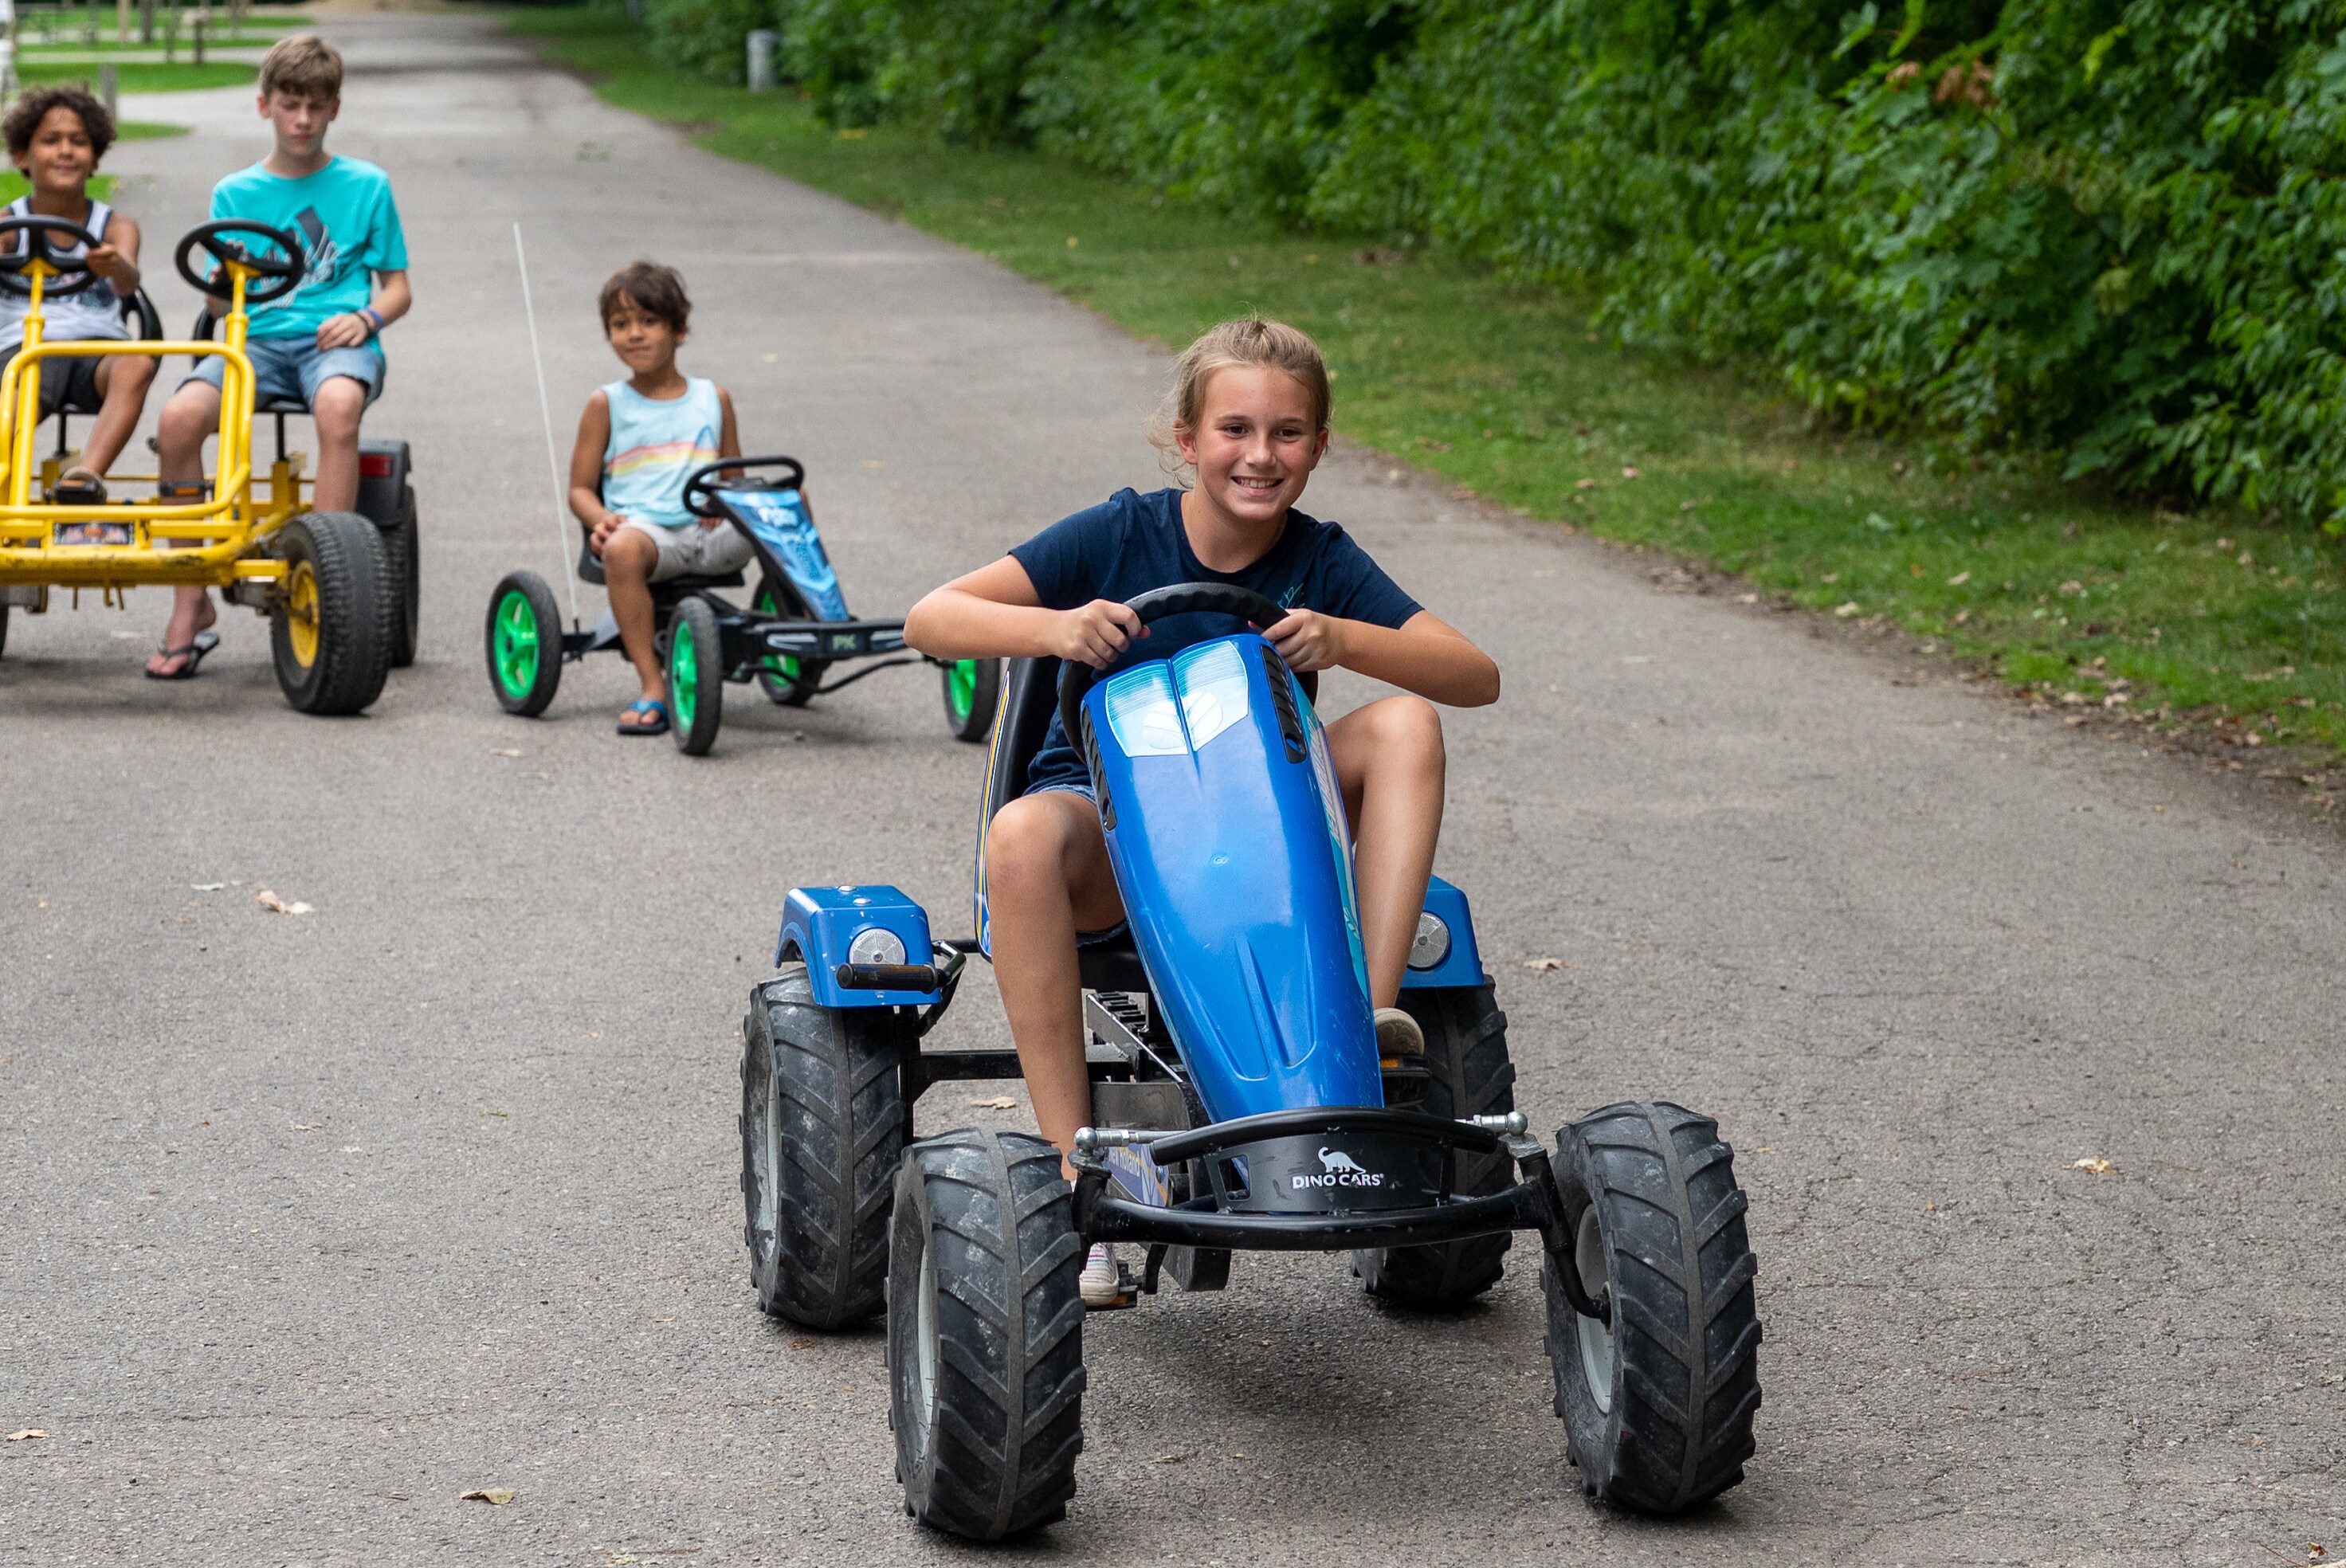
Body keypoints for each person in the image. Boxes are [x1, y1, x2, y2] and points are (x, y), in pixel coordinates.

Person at [903, 317, 1501, 1306]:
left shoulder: (1319, 561)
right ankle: (1074, 1168)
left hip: (1264, 831)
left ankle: (1367, 1021)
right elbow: (934, 616)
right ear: (1187, 440)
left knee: (1405, 724)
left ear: (1318, 446)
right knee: (1020, 835)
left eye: (1288, 434)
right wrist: (1056, 624)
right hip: (1105, 818)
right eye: (1234, 430)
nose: (1259, 456)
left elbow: (1473, 676)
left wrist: (1346, 638)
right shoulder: (1118, 534)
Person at [146, 33, 411, 680]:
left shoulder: (366, 186)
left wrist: (366, 317)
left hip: (333, 341)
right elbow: (216, 300)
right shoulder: (235, 194)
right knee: (178, 421)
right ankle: (190, 602)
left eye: (315, 107)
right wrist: (219, 284)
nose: (302, 120)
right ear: (264, 106)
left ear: (334, 110)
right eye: (290, 105)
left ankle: (328, 579)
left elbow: (398, 289)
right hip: (253, 342)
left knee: (340, 408)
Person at [566, 260, 745, 736]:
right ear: (609, 336)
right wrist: (602, 519)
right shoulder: (607, 404)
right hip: (650, 535)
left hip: (709, 535)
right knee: (621, 546)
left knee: (788, 498)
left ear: (679, 329)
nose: (635, 335)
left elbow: (735, 478)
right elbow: (579, 490)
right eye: (621, 325)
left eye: (649, 321)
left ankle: (810, 620)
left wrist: (721, 502)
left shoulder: (713, 397)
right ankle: (652, 683)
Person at [0, 84, 156, 530]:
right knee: (24, 381)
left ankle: (85, 477)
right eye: (50, 141)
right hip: (27, 350)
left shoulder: (115, 225)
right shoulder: (9, 225)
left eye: (79, 141)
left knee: (137, 364)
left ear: (96, 157)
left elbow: (129, 279)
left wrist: (115, 264)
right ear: (22, 157)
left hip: (98, 350)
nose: (65, 151)